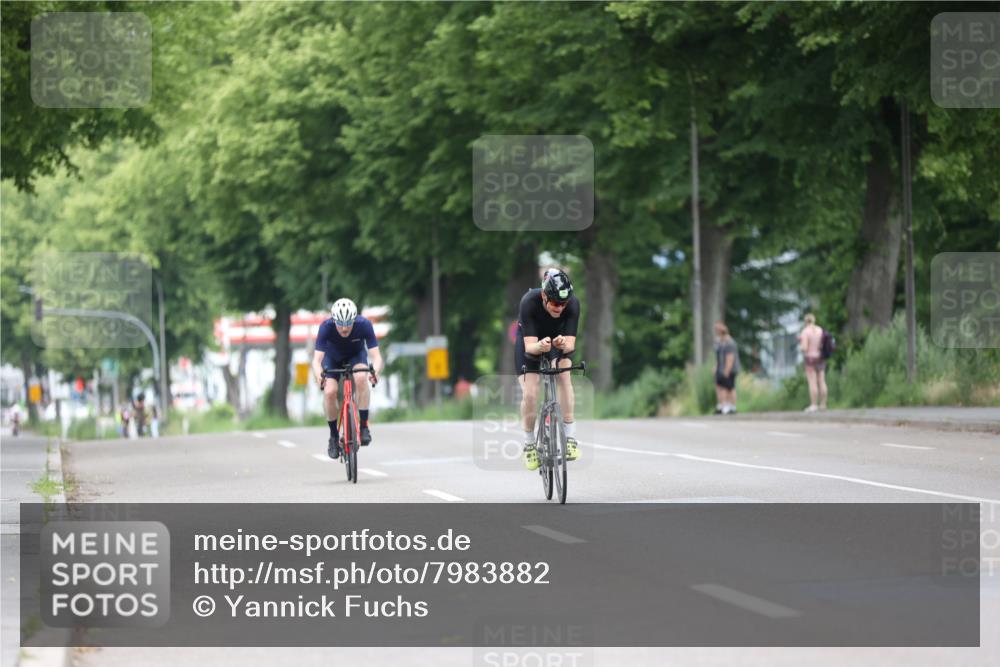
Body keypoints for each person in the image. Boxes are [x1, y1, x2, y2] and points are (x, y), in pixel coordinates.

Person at [516, 269, 581, 470]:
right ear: (544, 296)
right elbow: (530, 348)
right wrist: (540, 346)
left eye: (563, 304)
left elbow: (570, 345)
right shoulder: (529, 302)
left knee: (565, 379)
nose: (560, 308)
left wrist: (562, 344)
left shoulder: (573, 304)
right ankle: (529, 444)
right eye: (555, 303)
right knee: (531, 393)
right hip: (532, 342)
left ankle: (570, 438)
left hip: (557, 342)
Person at [312, 298, 383, 459]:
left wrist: (375, 371)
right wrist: (319, 375)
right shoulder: (326, 327)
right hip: (332, 358)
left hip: (355, 356)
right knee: (330, 392)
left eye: (348, 324)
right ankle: (333, 436)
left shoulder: (364, 325)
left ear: (354, 319)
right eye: (340, 324)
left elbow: (377, 357)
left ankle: (364, 425)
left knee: (360, 378)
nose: (344, 328)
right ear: (333, 320)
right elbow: (316, 361)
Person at [799, 313, 828, 412]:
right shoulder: (820, 330)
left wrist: (801, 344)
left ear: (806, 322)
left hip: (810, 358)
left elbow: (804, 348)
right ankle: (823, 404)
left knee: (812, 382)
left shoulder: (805, 332)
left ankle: (814, 404)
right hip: (820, 357)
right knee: (822, 381)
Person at [713, 322, 740, 414]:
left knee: (729, 387)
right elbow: (719, 357)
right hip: (721, 368)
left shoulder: (729, 343)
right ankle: (722, 405)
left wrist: (726, 371)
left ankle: (731, 406)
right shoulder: (719, 342)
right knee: (720, 386)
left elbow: (730, 358)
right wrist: (716, 367)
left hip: (729, 369)